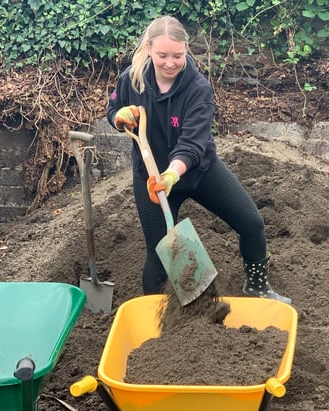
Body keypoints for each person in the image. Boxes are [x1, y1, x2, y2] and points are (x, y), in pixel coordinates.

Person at [107, 15, 291, 304]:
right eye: (162, 55)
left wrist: (172, 174)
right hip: (152, 181)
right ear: (148, 49)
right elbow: (114, 109)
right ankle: (155, 317)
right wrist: (119, 118)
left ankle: (257, 285)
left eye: (177, 56)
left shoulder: (198, 89)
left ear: (186, 51)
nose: (170, 62)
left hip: (198, 173)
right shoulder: (132, 80)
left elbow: (192, 145)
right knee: (157, 256)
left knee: (252, 223)